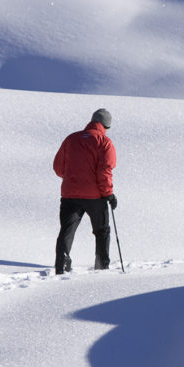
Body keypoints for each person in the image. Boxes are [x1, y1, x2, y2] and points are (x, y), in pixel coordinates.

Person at [53, 108, 117, 274]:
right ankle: (101, 265)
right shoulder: (104, 142)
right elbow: (105, 171)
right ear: (106, 126)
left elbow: (58, 167)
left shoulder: (71, 139)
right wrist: (108, 193)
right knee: (102, 231)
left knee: (67, 230)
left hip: (69, 194)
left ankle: (61, 265)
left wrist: (73, 178)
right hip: (96, 196)